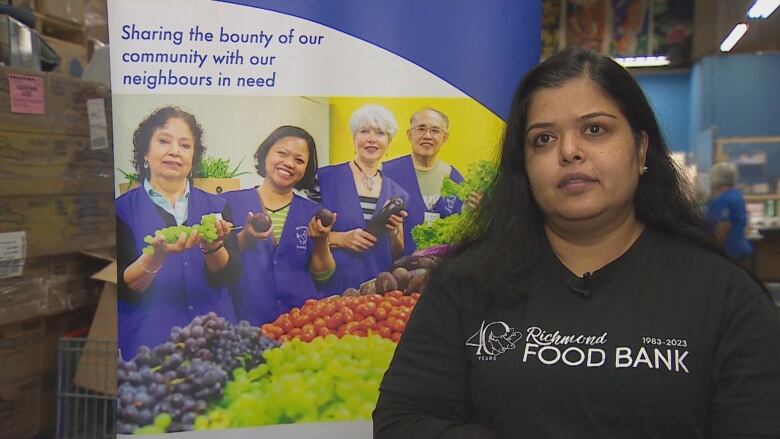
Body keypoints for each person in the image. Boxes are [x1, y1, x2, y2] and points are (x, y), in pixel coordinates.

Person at [374, 48, 780, 438]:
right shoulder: (465, 282)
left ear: (641, 150)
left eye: (595, 130)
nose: (569, 151)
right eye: (543, 139)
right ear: (525, 167)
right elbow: (402, 421)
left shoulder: (723, 296)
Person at [116, 106, 240, 360]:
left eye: (185, 145)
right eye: (163, 141)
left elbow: (228, 276)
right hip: (152, 348)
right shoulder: (120, 211)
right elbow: (123, 287)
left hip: (214, 341)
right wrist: (154, 258)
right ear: (145, 152)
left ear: (193, 157)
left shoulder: (217, 207)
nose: (174, 151)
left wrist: (213, 247)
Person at [221, 126, 336, 325]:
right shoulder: (228, 204)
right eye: (282, 153)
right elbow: (216, 265)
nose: (289, 163)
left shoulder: (312, 212)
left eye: (299, 160)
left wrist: (321, 241)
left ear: (306, 169)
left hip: (300, 326)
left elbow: (322, 275)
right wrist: (245, 239)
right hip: (243, 325)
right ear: (265, 154)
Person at [316, 104, 409, 295]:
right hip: (331, 287)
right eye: (364, 131)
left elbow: (397, 252)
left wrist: (393, 233)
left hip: (377, 292)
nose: (372, 139)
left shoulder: (398, 193)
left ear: (388, 142)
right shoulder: (323, 179)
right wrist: (340, 239)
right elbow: (301, 235)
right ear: (354, 137)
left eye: (380, 133)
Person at [383, 108, 464, 255]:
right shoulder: (388, 173)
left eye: (435, 131)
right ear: (410, 134)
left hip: (442, 269)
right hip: (395, 272)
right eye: (421, 129)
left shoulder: (455, 179)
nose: (427, 136)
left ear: (445, 137)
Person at [706, 162, 753, 266]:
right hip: (741, 249)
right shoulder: (737, 195)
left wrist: (713, 248)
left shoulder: (723, 200)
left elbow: (723, 227)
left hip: (729, 252)